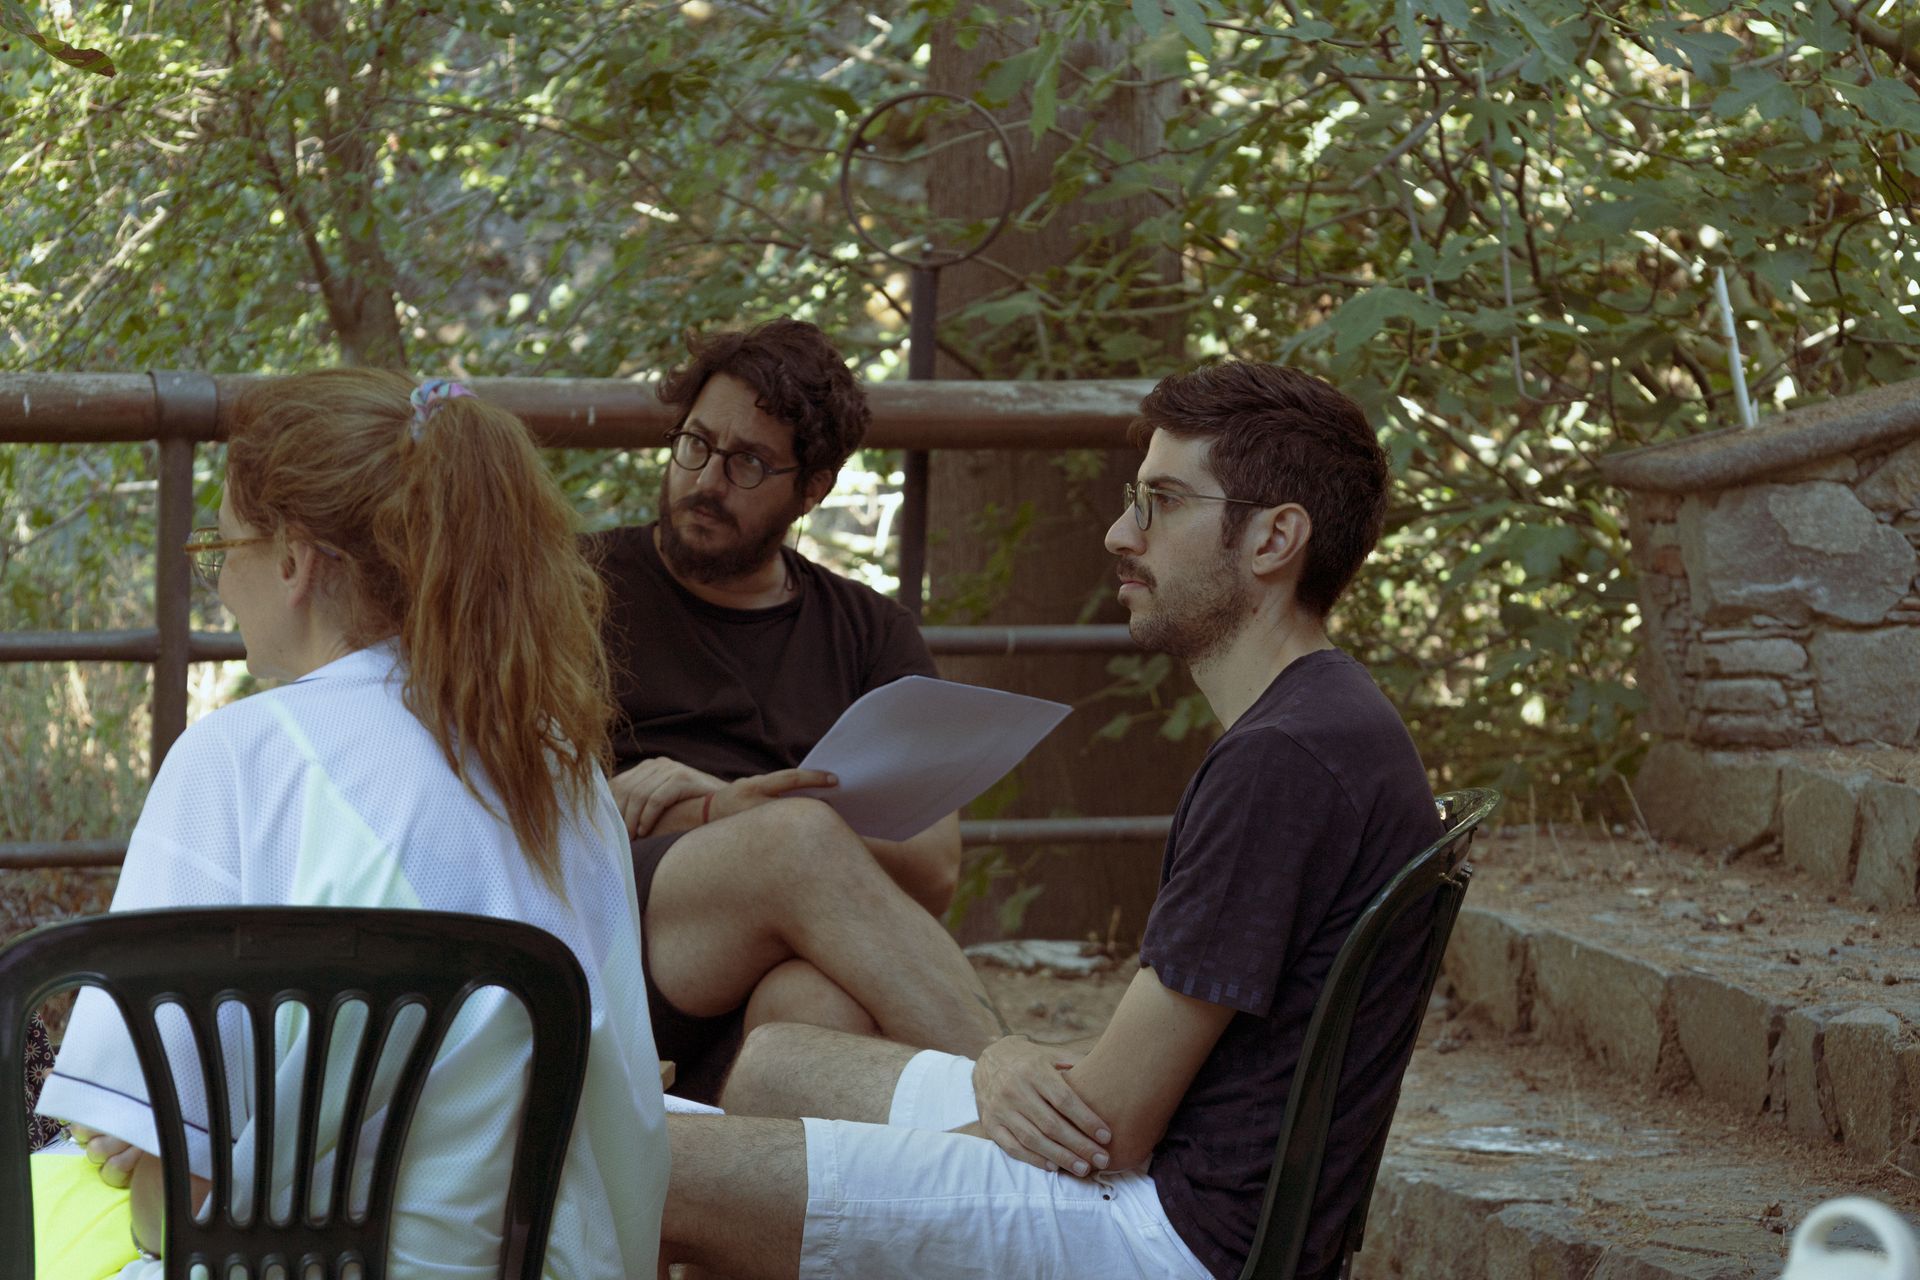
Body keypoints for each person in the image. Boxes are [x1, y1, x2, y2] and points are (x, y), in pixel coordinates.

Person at [655, 361, 1445, 1280]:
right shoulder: (1324, 719)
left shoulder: (1284, 761)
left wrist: (925, 1145)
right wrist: (1004, 1061)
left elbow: (1111, 1126)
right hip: (1172, 1180)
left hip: (1163, 1237)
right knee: (777, 1064)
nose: (1121, 533)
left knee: (655, 1163)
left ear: (1274, 538)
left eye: (1160, 503)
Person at [32, 371, 666, 1278]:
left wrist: (152, 1150)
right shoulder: (558, 768)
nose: (219, 586)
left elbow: (170, 1208)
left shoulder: (239, 761)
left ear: (295, 561)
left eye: (222, 548)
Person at [587, 318, 997, 1101]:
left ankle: (717, 1167)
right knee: (796, 841)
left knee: (816, 1009)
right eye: (696, 444)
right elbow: (502, 808)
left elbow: (934, 868)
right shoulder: (578, 586)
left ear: (814, 488)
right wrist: (735, 823)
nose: (708, 480)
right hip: (608, 928)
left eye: (747, 462)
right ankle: (1046, 1112)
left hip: (769, 960)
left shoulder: (870, 632)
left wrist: (734, 806)